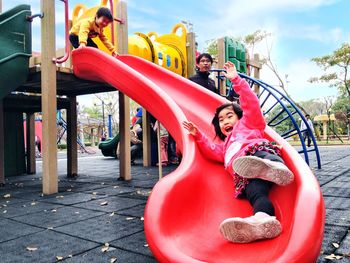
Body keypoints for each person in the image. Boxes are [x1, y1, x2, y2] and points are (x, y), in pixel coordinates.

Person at [182, 61, 294, 243]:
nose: (225, 121)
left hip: (258, 154)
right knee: (257, 195)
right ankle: (262, 220)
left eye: (229, 116)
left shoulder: (248, 124)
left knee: (260, 152)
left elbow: (251, 103)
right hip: (247, 175)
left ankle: (275, 167)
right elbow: (212, 151)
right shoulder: (225, 147)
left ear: (239, 117)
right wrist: (198, 136)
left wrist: (236, 80)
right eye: (220, 120)